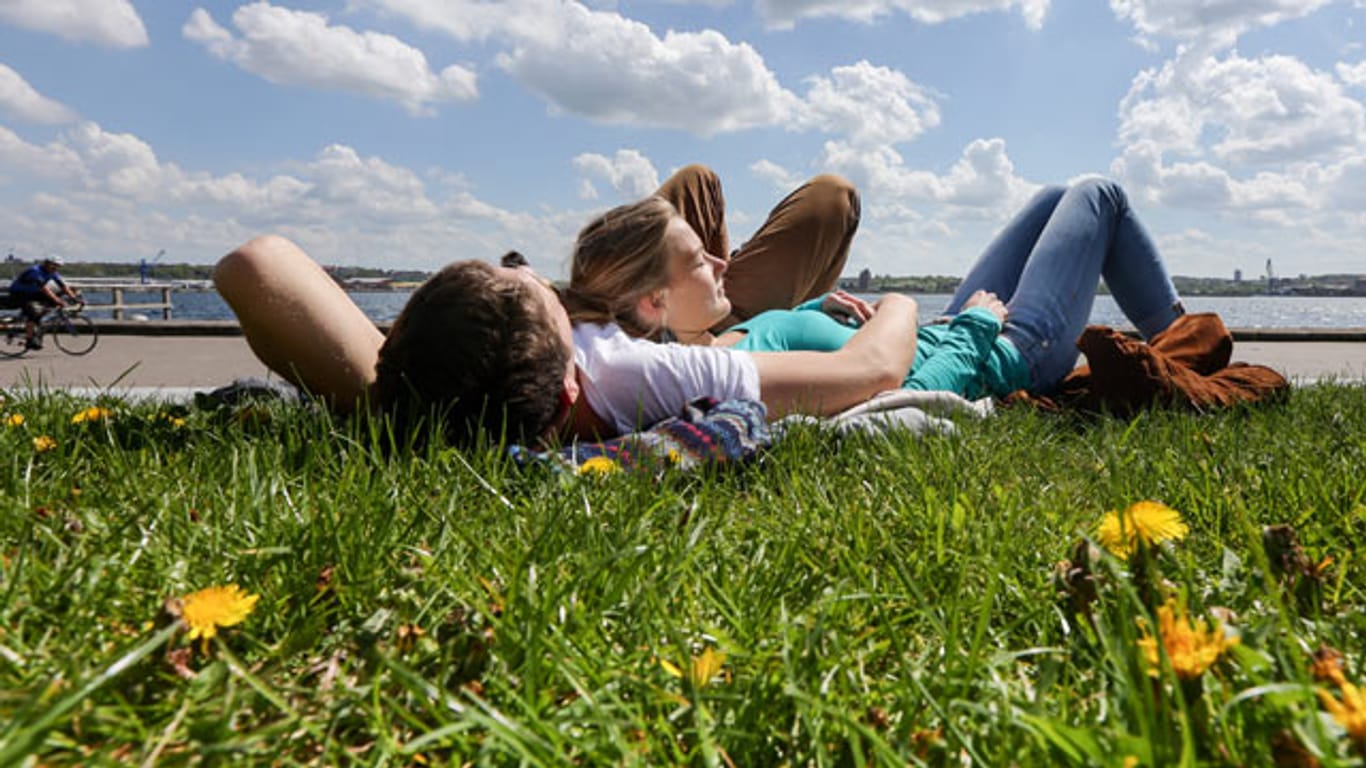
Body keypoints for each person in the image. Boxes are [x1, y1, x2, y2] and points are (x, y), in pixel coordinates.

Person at [214, 166, 878, 444]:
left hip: (644, 311)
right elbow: (866, 375)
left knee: (694, 185)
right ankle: (729, 288)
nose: (529, 272)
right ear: (565, 380)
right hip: (698, 327)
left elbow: (253, 264)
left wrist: (384, 370)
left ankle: (710, 277)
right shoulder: (632, 372)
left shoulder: (404, 386)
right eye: (524, 282)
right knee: (832, 199)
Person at [562, 177, 1187, 434]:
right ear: (652, 303)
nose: (724, 263)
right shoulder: (722, 379)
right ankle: (1187, 343)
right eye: (700, 260)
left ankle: (1184, 337)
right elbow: (909, 391)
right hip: (1002, 349)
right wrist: (971, 326)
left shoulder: (711, 345)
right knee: (1098, 195)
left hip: (946, 329)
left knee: (1056, 195)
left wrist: (808, 310)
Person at [6, 255, 82, 350]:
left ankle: (39, 319)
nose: (55, 268)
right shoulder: (35, 271)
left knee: (55, 298)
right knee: (32, 313)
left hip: (33, 292)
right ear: (47, 263)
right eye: (53, 265)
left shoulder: (52, 272)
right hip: (19, 293)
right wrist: (57, 301)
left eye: (57, 266)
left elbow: (63, 286)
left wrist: (74, 298)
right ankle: (29, 340)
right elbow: (44, 289)